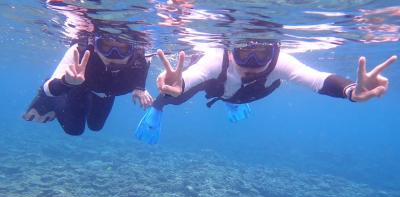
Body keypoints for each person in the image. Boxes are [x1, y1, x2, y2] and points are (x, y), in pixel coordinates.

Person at [135, 40, 397, 144]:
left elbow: (318, 79)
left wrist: (351, 90)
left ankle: (232, 102)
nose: (251, 62)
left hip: (246, 94)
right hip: (216, 87)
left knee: (256, 87)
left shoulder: (281, 61)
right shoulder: (217, 58)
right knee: (178, 97)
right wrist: (173, 86)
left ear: (275, 50)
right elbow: (187, 80)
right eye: (244, 52)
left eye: (261, 53)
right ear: (230, 49)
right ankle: (158, 108)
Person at [23, 33, 153, 135]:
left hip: (104, 94)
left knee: (96, 126)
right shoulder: (80, 51)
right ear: (96, 45)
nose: (114, 54)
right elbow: (48, 89)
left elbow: (145, 64)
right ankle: (53, 102)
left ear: (133, 49)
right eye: (106, 46)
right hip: (79, 87)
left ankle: (86, 100)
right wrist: (65, 82)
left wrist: (140, 87)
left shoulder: (141, 60)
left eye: (123, 48)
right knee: (74, 130)